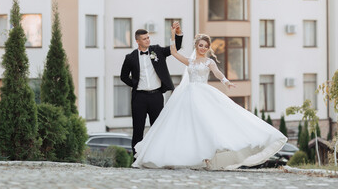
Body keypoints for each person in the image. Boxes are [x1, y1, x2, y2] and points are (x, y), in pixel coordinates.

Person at [132, 24, 287, 170]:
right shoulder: (190, 61)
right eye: (201, 45)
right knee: (188, 126)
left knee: (206, 124)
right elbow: (173, 52)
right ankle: (190, 156)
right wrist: (173, 34)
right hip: (187, 96)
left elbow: (217, 72)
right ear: (196, 46)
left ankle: (207, 157)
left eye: (206, 46)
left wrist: (226, 81)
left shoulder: (208, 61)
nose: (203, 48)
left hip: (203, 94)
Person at [120, 22, 183, 155]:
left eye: (148, 37)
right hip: (139, 98)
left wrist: (177, 34)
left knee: (158, 128)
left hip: (156, 96)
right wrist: (135, 85)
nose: (148, 40)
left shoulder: (157, 50)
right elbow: (123, 76)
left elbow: (174, 48)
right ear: (137, 41)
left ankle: (157, 156)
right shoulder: (130, 58)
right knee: (138, 129)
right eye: (144, 38)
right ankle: (136, 159)